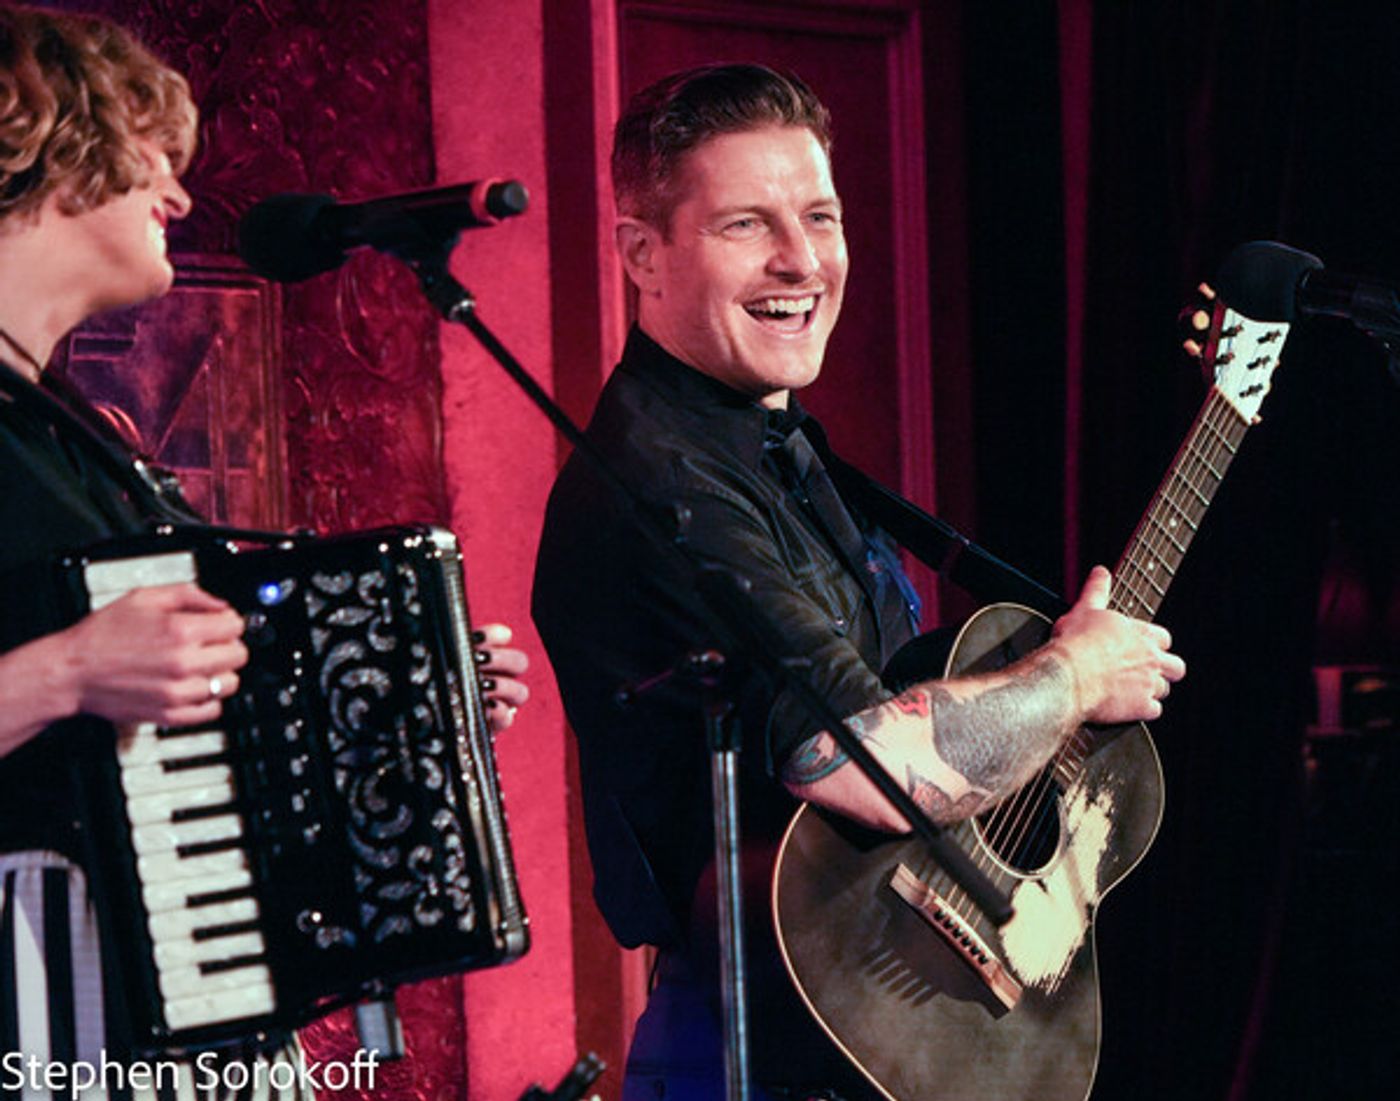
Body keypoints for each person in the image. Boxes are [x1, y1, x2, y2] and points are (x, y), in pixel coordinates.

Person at [531, 63, 1185, 1100]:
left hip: (875, 1029)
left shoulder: (773, 445)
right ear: (639, 255)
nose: (801, 260)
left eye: (820, 216)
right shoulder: (658, 488)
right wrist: (1072, 676)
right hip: (756, 1055)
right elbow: (865, 763)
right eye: (746, 225)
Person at [0, 6, 527, 1096]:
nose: (182, 197)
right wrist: (65, 671)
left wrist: (409, 694)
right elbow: (84, 677)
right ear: (54, 147)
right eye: (153, 155)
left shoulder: (75, 434)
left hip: (170, 1002)